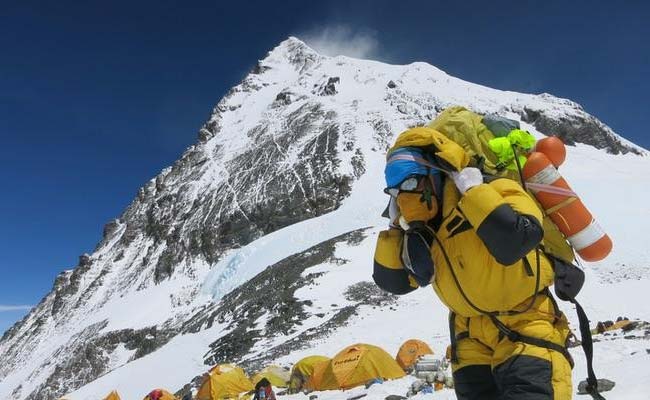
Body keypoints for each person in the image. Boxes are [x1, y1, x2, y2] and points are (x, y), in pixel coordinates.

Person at [374, 126, 576, 400]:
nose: (403, 193)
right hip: (468, 339)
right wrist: (395, 227)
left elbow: (518, 239)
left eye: (409, 182)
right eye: (394, 188)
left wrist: (473, 190)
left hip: (526, 325)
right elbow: (393, 282)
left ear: (436, 175)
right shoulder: (422, 232)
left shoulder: (499, 188)